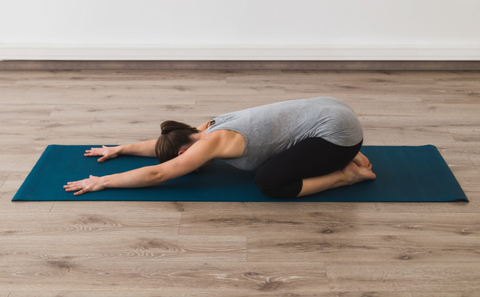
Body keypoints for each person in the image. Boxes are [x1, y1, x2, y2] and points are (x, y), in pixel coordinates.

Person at [64, 97, 376, 198]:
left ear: (184, 153)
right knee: (280, 154)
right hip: (332, 111)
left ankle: (347, 174)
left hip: (339, 132)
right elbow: (162, 147)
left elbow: (158, 175)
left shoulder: (214, 141)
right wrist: (122, 148)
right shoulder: (203, 128)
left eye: (182, 159)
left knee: (269, 183)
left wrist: (101, 181)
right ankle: (344, 151)